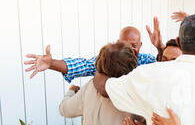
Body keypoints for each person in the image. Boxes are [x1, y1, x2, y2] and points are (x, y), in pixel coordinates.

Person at [24, 17, 165, 82]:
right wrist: (51, 63)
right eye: (124, 44)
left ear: (140, 45)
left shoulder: (146, 61)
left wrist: (160, 48)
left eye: (133, 45)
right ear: (117, 44)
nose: (129, 49)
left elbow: (165, 67)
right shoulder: (108, 60)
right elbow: (82, 65)